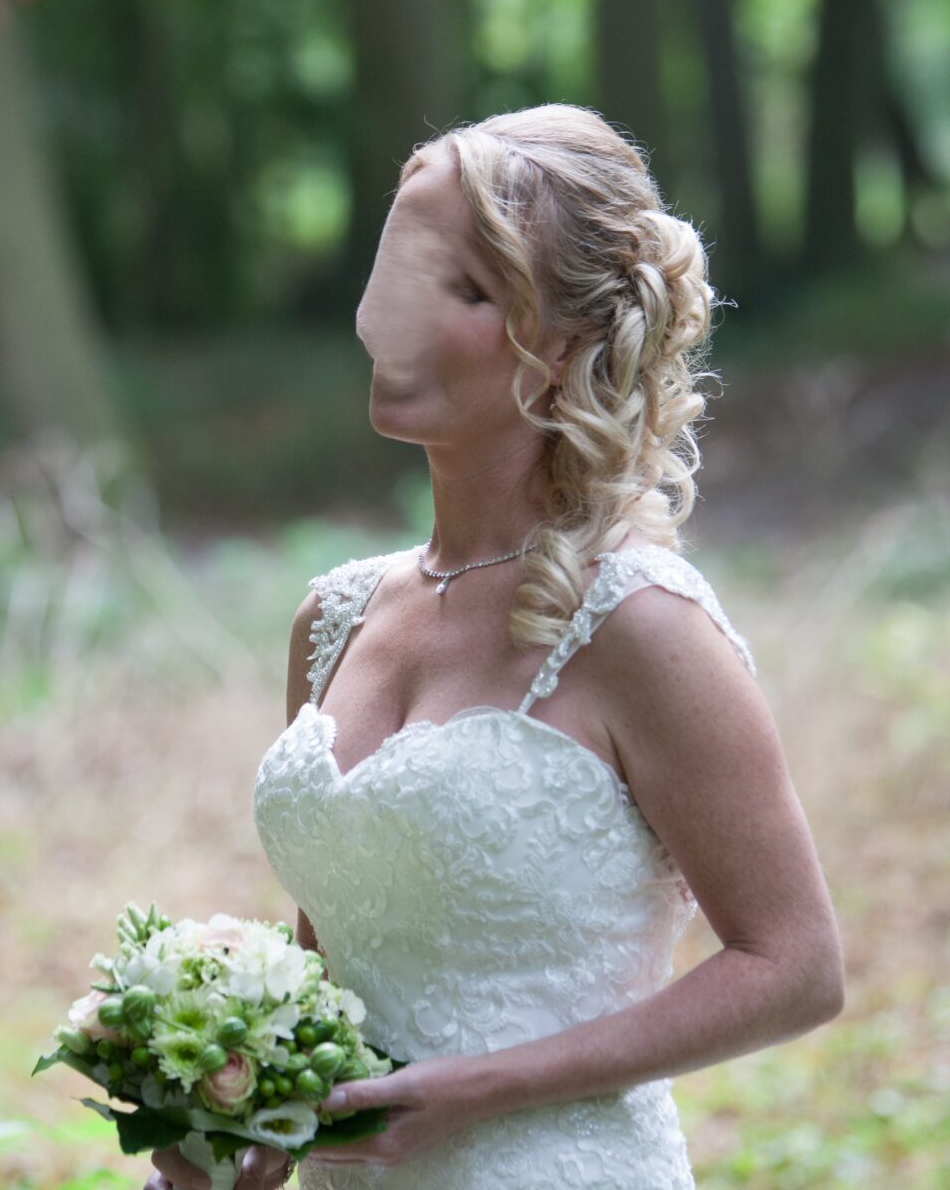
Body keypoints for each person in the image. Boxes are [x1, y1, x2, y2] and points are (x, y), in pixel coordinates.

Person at [147, 103, 844, 1190]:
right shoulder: (332, 618)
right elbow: (333, 945)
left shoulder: (639, 626)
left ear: (564, 344)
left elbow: (794, 967)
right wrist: (236, 1127)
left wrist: (477, 1088)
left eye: (466, 291)